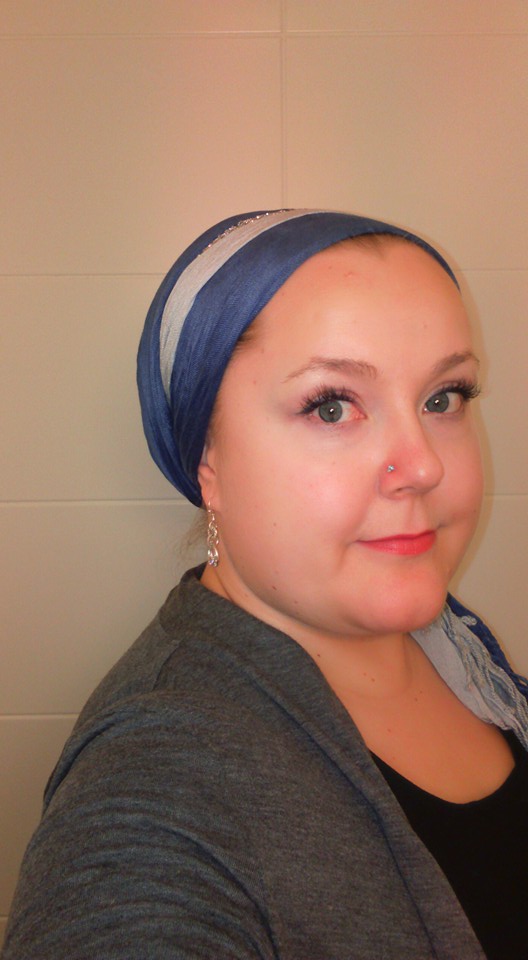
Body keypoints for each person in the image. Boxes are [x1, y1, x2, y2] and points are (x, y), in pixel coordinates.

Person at [3, 209, 528, 960]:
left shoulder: (453, 646)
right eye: (332, 406)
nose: (423, 466)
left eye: (443, 397)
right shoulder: (158, 776)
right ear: (206, 460)